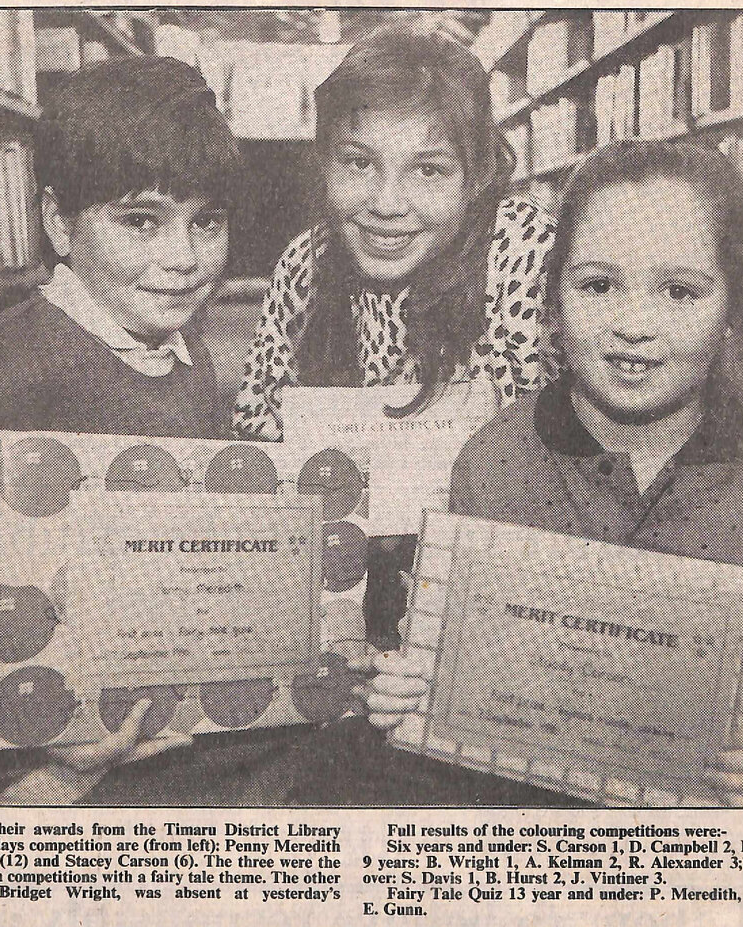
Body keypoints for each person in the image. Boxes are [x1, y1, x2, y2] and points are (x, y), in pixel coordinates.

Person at [364, 140, 743, 808]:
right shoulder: (493, 463)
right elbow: (462, 678)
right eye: (597, 285)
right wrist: (414, 691)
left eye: (679, 290)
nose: (633, 324)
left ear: (733, 309)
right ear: (552, 305)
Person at [0, 56, 242, 804]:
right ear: (57, 224)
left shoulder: (193, 358)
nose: (184, 258)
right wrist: (10, 722)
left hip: (144, 736)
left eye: (207, 221)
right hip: (5, 776)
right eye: (140, 220)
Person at [233, 26, 557, 649]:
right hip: (337, 600)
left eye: (428, 171)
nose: (386, 203)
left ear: (478, 174)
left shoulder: (528, 253)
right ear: (323, 163)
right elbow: (259, 438)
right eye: (358, 164)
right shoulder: (307, 262)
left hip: (503, 609)